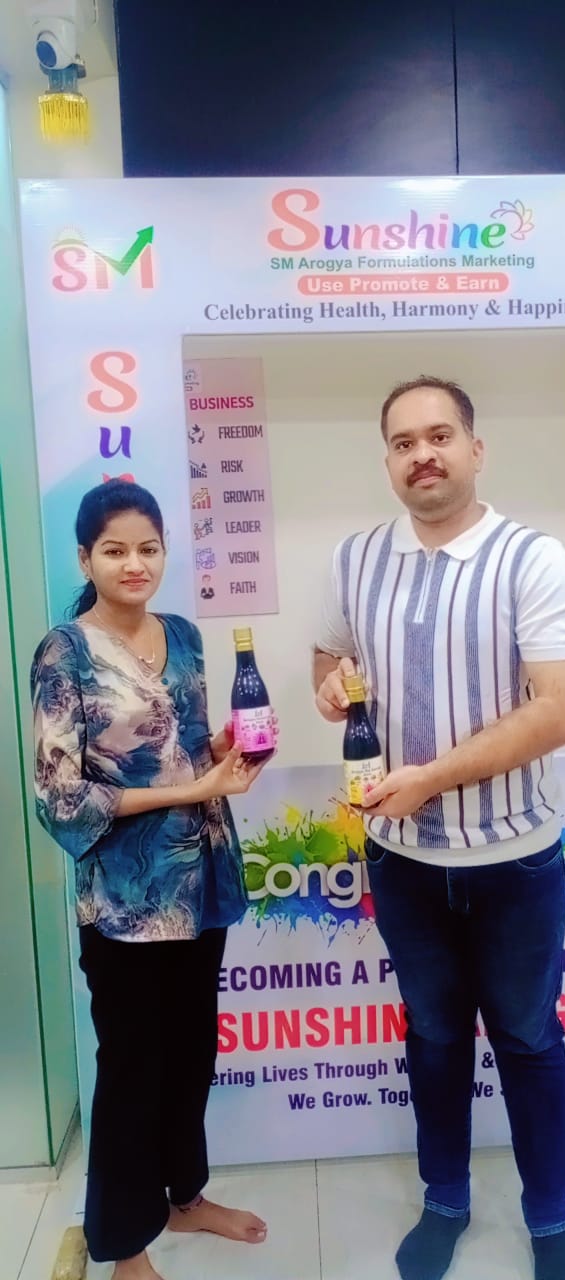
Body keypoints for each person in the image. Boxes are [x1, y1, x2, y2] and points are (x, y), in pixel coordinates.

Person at [313, 377, 565, 1280]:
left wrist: (431, 778)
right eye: (403, 442)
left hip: (516, 863)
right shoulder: (355, 559)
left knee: (528, 1039)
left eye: (439, 436)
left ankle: (551, 1221)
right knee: (433, 1038)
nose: (422, 454)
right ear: (388, 461)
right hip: (401, 863)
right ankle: (445, 1200)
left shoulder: (532, 558)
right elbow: (329, 657)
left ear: (476, 449)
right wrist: (330, 685)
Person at [31, 480, 273, 1280]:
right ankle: (124, 1245)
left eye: (148, 548)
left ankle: (184, 1197)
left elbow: (188, 746)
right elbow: (59, 797)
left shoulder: (186, 636)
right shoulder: (64, 652)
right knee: (132, 1072)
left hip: (201, 888)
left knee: (191, 1053)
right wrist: (190, 788)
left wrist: (227, 752)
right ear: (85, 559)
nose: (134, 564)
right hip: (125, 904)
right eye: (115, 550)